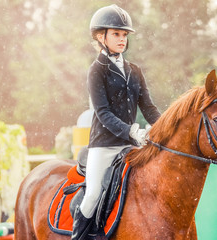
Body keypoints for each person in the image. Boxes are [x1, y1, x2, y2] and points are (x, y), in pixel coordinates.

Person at [71, 4, 161, 240]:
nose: (122, 39)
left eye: (124, 35)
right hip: (104, 145)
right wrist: (132, 131)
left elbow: (149, 108)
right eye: (116, 34)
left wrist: (165, 128)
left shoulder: (135, 70)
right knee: (92, 196)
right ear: (101, 37)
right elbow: (103, 113)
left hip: (130, 146)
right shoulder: (96, 71)